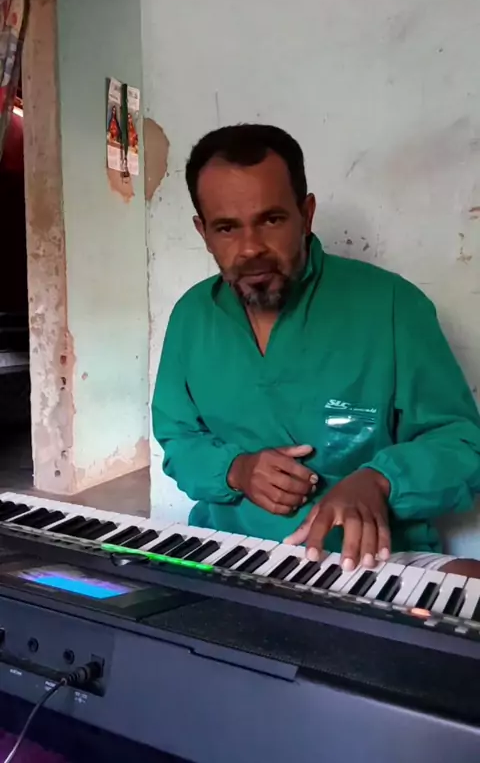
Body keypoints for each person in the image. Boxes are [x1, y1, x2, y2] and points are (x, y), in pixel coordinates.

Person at [152, 124, 480, 577]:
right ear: (203, 232)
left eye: (271, 220)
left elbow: (463, 445)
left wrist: (380, 481)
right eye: (226, 228)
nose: (250, 249)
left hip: (371, 561)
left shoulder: (391, 306)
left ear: (306, 215)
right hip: (230, 552)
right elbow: (178, 440)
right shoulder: (191, 317)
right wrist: (236, 470)